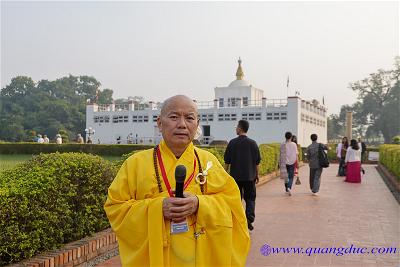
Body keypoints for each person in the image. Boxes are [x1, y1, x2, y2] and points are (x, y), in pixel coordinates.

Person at [104, 95, 250, 267]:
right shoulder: (135, 164)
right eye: (174, 117)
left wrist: (199, 204)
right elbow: (115, 208)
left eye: (189, 118)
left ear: (197, 124)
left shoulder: (208, 162)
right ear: (159, 123)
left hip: (201, 259)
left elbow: (234, 208)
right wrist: (157, 208)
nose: (182, 124)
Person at [224, 120, 261, 231]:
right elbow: (257, 162)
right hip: (250, 177)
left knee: (236, 200)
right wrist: (257, 175)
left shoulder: (232, 143)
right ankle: (249, 220)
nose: (235, 129)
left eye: (236, 127)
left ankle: (238, 221)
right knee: (250, 199)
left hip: (235, 178)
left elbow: (227, 162)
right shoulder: (253, 143)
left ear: (240, 128)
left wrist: (224, 175)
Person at [279, 131, 298, 196]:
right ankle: (289, 187)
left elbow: (281, 154)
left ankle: (287, 188)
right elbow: (296, 154)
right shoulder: (294, 144)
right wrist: (297, 162)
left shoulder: (282, 144)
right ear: (291, 137)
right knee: (291, 176)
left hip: (284, 162)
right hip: (292, 162)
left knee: (285, 176)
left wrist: (279, 163)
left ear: (285, 137)